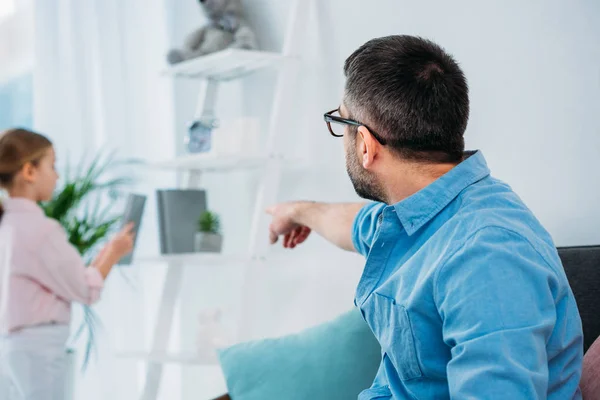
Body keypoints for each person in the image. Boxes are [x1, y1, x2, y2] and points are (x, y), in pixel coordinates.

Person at [266, 35, 583, 399]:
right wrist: (299, 212)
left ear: (366, 145)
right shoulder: (425, 212)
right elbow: (358, 224)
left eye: (340, 121)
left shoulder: (486, 256)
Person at [0, 128, 134, 400]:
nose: (57, 175)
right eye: (52, 165)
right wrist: (113, 254)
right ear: (29, 172)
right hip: (39, 348)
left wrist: (105, 254)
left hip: (12, 346)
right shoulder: (40, 230)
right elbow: (85, 290)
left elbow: (64, 278)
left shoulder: (8, 225)